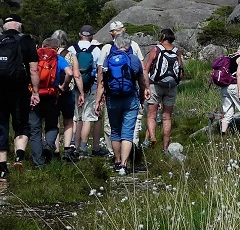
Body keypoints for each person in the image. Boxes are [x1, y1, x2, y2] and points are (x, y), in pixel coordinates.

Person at [0, 15, 41, 179]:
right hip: (19, 90)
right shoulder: (26, 40)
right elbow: (34, 69)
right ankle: (19, 157)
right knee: (21, 124)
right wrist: (35, 92)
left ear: (5, 27)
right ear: (19, 26)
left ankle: (2, 168)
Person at [95, 33, 149, 175]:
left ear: (116, 45)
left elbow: (101, 83)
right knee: (127, 132)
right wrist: (143, 95)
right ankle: (124, 165)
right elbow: (142, 82)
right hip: (130, 99)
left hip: (112, 99)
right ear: (129, 44)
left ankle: (117, 161)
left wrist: (97, 101)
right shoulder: (134, 59)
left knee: (115, 131)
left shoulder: (108, 59)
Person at [30, 37, 73, 167]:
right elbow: (70, 73)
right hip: (51, 96)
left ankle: (38, 162)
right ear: (57, 48)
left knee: (35, 129)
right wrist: (64, 86)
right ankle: (48, 145)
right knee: (52, 125)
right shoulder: (58, 58)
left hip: (34, 95)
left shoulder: (34, 56)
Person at [143, 28, 185, 150]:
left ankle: (152, 137)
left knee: (151, 115)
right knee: (167, 117)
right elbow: (181, 72)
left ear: (162, 37)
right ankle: (165, 148)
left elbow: (146, 69)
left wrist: (146, 86)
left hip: (155, 85)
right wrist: (174, 82)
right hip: (171, 87)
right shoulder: (177, 51)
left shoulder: (156, 49)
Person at [69, 25, 103, 157]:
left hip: (75, 87)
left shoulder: (72, 49)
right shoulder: (96, 50)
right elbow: (100, 70)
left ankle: (73, 146)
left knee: (76, 118)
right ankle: (83, 148)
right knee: (88, 117)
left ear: (79, 34)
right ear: (92, 35)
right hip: (91, 87)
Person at [50, 29, 83, 161]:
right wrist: (81, 93)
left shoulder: (46, 54)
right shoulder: (70, 55)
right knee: (68, 121)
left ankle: (56, 149)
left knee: (54, 121)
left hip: (51, 92)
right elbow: (76, 75)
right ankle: (67, 149)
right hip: (67, 92)